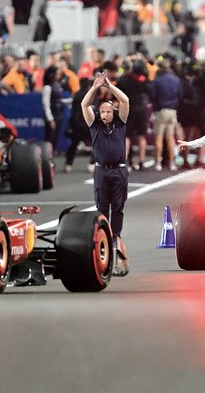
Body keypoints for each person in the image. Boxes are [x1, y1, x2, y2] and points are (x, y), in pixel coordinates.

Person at [81, 72, 130, 276]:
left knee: (117, 209)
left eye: (109, 112)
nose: (105, 115)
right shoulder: (95, 127)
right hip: (102, 171)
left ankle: (116, 240)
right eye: (102, 112)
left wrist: (109, 86)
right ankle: (103, 241)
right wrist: (94, 88)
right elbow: (84, 105)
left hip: (119, 170)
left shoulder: (121, 124)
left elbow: (125, 100)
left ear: (114, 112)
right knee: (102, 208)